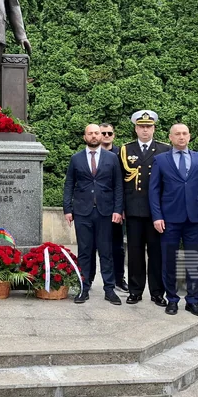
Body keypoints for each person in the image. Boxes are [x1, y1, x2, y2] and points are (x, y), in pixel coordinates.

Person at [149, 123, 198, 317]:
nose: (181, 137)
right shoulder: (160, 160)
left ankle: (193, 301)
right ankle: (172, 299)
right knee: (169, 261)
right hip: (169, 219)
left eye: (185, 133)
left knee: (194, 261)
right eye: (177, 134)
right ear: (170, 137)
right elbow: (154, 191)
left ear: (190, 136)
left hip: (195, 219)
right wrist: (157, 216)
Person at [63, 124, 124, 306]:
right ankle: (84, 287)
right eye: (90, 133)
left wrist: (117, 210)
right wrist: (67, 209)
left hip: (106, 212)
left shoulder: (112, 158)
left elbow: (118, 186)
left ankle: (109, 289)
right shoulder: (76, 159)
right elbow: (69, 185)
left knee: (106, 252)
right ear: (85, 137)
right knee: (84, 251)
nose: (95, 136)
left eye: (97, 133)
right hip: (82, 212)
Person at [119, 110, 170, 306]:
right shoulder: (126, 150)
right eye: (141, 127)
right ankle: (135, 290)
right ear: (136, 128)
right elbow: (121, 183)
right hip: (133, 208)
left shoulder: (164, 150)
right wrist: (121, 207)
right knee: (135, 252)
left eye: (148, 127)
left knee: (156, 253)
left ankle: (157, 292)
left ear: (154, 128)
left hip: (157, 211)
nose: (145, 130)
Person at [96, 122, 127, 292]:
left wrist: (121, 207)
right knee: (92, 245)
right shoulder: (90, 153)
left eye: (109, 133)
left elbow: (122, 184)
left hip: (115, 208)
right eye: (103, 133)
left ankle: (119, 279)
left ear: (113, 135)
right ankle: (88, 278)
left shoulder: (121, 155)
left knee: (117, 246)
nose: (106, 136)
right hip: (95, 208)